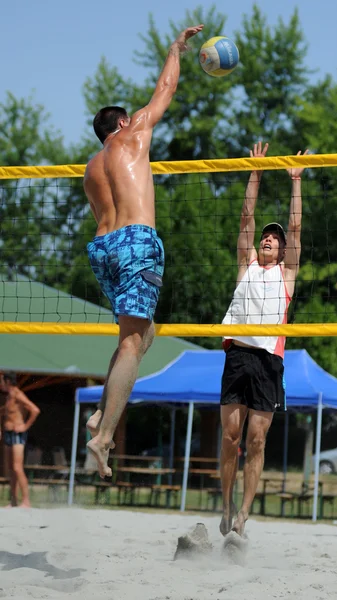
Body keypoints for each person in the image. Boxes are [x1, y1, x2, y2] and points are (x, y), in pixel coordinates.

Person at [84, 24, 204, 478]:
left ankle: (100, 412)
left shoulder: (90, 168)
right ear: (120, 122)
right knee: (135, 343)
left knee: (142, 334)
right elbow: (165, 89)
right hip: (136, 242)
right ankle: (104, 437)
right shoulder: (132, 133)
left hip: (103, 248)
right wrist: (175, 49)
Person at [219, 141, 309, 538]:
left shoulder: (285, 275)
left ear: (284, 250)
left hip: (269, 364)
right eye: (266, 237)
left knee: (256, 441)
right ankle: (225, 506)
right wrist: (255, 171)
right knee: (230, 437)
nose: (269, 239)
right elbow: (246, 217)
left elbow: (295, 227)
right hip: (238, 356)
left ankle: (244, 517)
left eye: (274, 238)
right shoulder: (247, 266)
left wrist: (295, 182)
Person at [0, 372, 40, 507]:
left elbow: (35, 410)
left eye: (2, 381)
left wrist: (25, 426)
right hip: (9, 433)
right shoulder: (9, 396)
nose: (0, 384)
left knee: (17, 468)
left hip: (17, 433)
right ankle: (13, 501)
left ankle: (26, 501)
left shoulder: (17, 394)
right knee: (11, 469)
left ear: (8, 382)